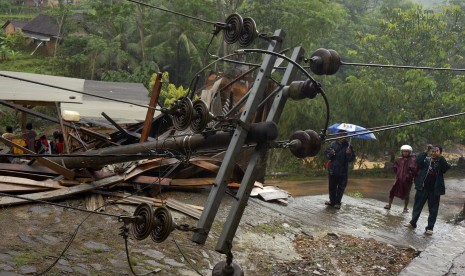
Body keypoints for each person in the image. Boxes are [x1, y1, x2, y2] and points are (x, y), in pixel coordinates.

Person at [404, 144, 451, 235]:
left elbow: (446, 168)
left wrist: (440, 157)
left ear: (440, 153)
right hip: (422, 188)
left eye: (436, 151)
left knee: (433, 210)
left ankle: (430, 228)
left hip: (434, 191)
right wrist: (426, 151)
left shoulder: (442, 162)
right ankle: (412, 223)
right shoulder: (426, 160)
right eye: (432, 151)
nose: (433, 153)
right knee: (417, 207)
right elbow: (418, 161)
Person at [324, 131, 356, 209]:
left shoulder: (349, 146)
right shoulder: (332, 144)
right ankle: (332, 201)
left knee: (341, 187)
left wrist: (349, 153)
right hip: (333, 169)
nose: (342, 136)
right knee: (332, 186)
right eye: (340, 134)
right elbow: (327, 155)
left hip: (343, 170)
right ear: (337, 135)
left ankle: (338, 202)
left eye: (344, 134)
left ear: (346, 135)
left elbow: (351, 159)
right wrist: (331, 153)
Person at [384, 145, 418, 212]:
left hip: (407, 181)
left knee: (406, 194)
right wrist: (398, 174)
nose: (405, 153)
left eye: (407, 152)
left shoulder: (412, 160)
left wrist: (408, 176)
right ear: (401, 152)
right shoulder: (399, 160)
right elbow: (395, 168)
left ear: (409, 152)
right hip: (398, 179)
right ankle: (389, 205)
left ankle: (405, 208)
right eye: (404, 151)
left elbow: (414, 170)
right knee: (392, 191)